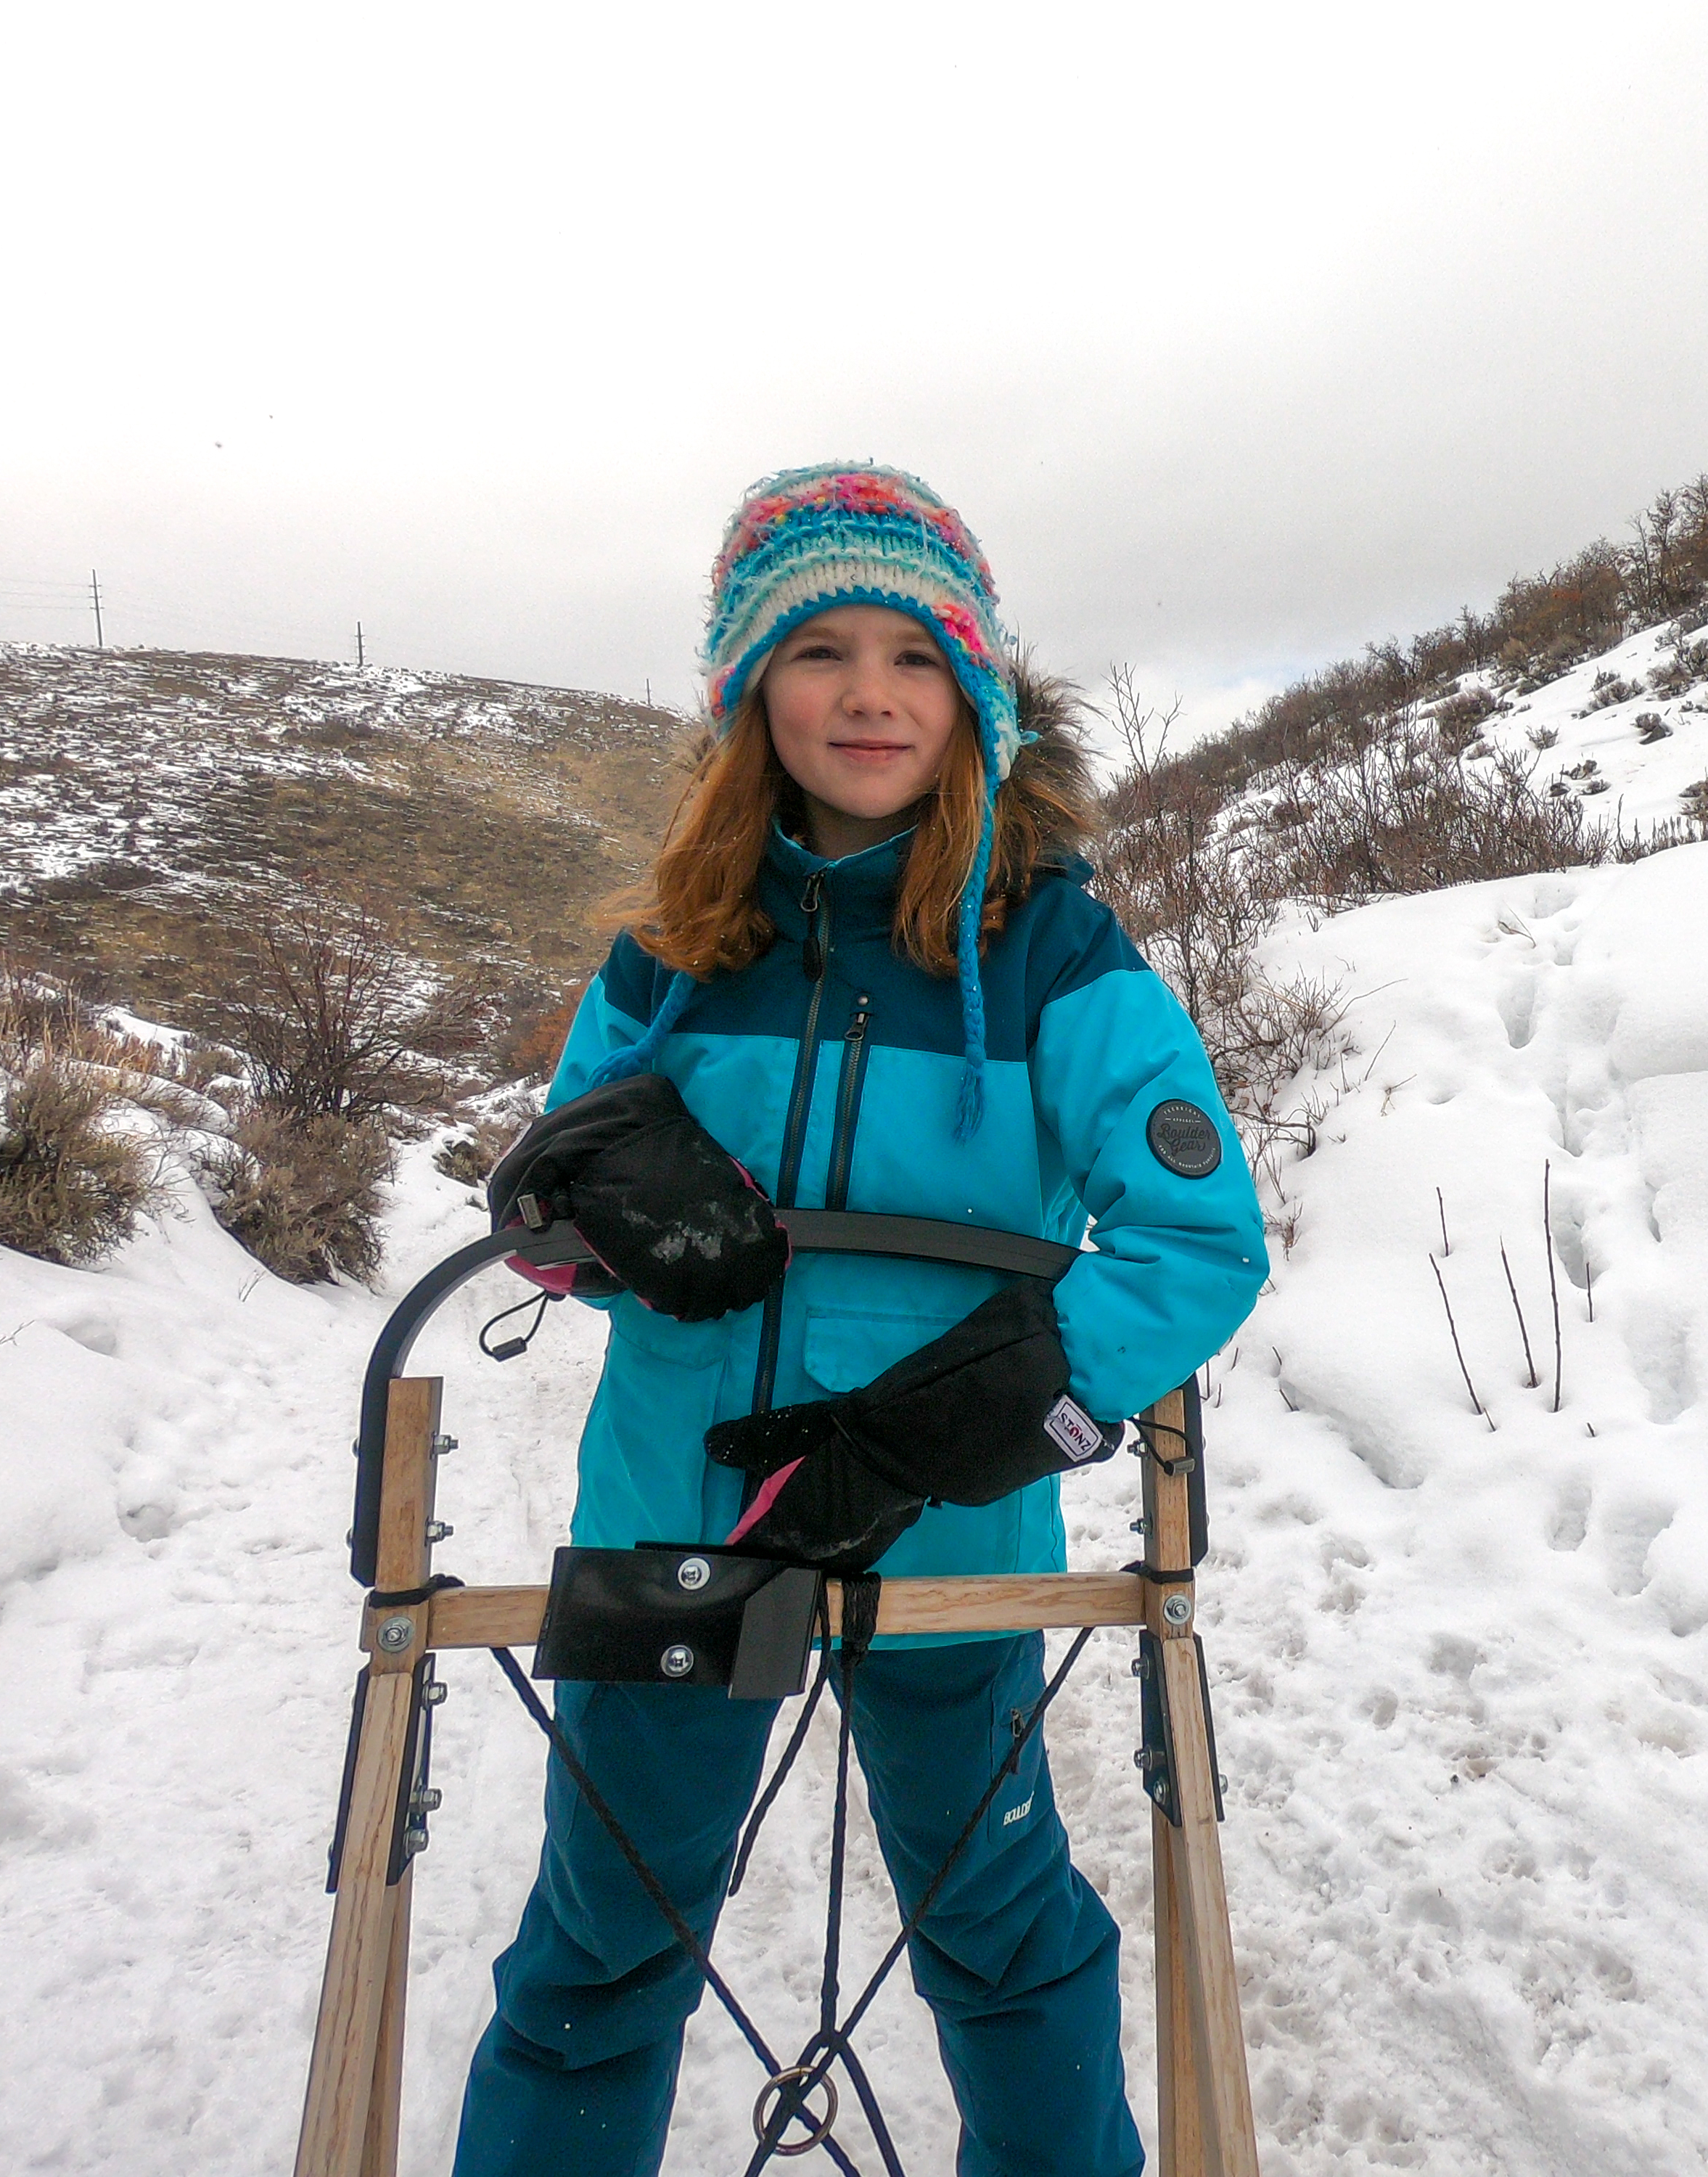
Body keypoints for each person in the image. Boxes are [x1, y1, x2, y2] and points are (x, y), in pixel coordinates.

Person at [454, 462, 1268, 2177]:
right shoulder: (669, 949)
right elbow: (545, 1223)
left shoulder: (1049, 949)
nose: (869, 690)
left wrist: (1011, 1410)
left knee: (998, 1939)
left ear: (971, 685)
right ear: (752, 688)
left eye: (912, 649)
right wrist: (583, 1220)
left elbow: (1193, 1239)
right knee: (600, 1953)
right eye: (818, 646)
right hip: (681, 1519)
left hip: (956, 1530)